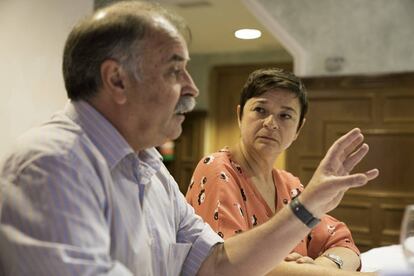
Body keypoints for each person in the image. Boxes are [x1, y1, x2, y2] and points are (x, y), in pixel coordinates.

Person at [0, 1, 379, 275]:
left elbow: (217, 263)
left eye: (285, 116)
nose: (192, 89)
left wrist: (308, 205)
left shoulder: (149, 168)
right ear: (117, 80)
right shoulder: (53, 166)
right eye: (175, 71)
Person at [186, 68, 372, 275]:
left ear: (298, 130)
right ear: (239, 115)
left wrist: (322, 265)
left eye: (285, 115)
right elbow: (231, 265)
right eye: (260, 110)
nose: (271, 123)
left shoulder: (289, 184)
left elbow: (344, 243)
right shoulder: (217, 169)